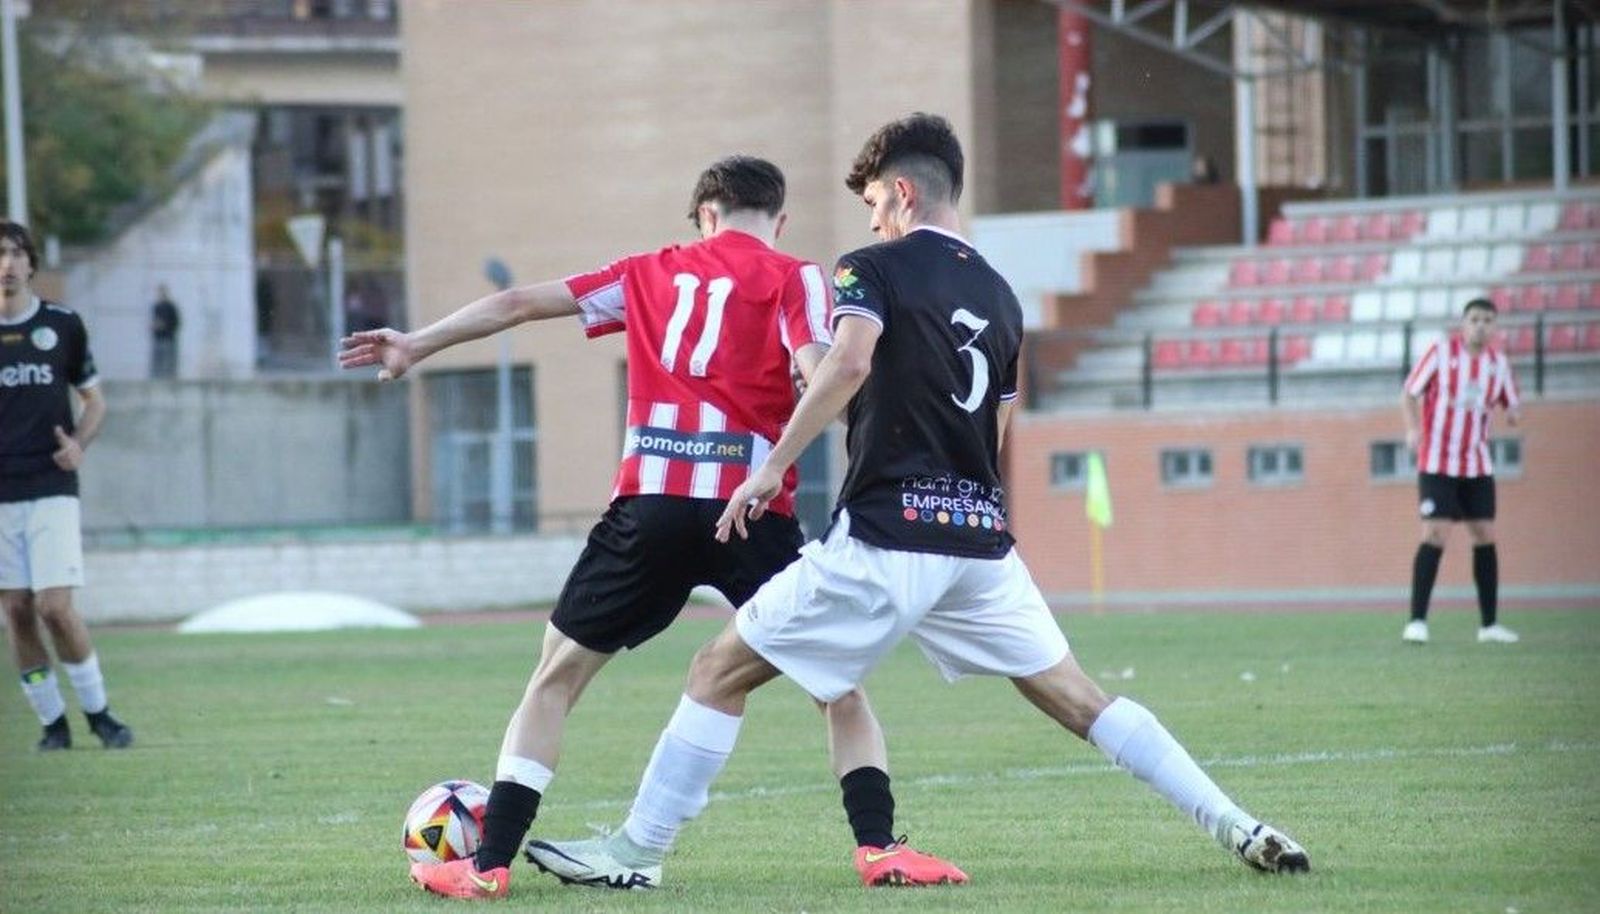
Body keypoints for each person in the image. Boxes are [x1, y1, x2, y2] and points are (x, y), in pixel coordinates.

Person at [526, 114, 1311, 891]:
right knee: (1083, 700)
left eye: (874, 202)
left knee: (716, 669)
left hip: (886, 536)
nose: (872, 220)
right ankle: (1237, 823)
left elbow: (849, 364)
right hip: (977, 544)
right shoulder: (1003, 296)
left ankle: (637, 851)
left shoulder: (870, 268)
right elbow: (996, 428)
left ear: (902, 194)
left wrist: (774, 467)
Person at [339, 156, 961, 899]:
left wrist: (417, 343)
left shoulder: (646, 273)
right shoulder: (796, 276)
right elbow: (821, 369)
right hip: (749, 512)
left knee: (555, 680)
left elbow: (517, 303)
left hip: (651, 506)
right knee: (837, 685)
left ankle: (490, 863)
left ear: (705, 215)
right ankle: (878, 848)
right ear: (780, 220)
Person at [0, 220, 134, 751]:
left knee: (54, 607)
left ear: (31, 263)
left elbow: (94, 401)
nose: (7, 265)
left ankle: (99, 714)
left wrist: (78, 443)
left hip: (51, 486)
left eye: (15, 253)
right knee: (16, 609)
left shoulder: (61, 325)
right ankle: (52, 723)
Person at [1400, 298, 1522, 645]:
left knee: (1484, 534)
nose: (1480, 325)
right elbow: (1409, 393)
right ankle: (1417, 621)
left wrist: (1514, 414)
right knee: (1435, 533)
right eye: (1474, 319)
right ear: (1464, 323)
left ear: (1495, 327)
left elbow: (1512, 404)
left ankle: (1489, 625)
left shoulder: (1498, 364)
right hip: (1437, 462)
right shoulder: (1440, 353)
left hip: (1476, 464)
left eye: (1487, 320)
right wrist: (1412, 429)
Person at [150, 284, 180, 379]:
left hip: (168, 340)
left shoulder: (171, 307)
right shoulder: (156, 307)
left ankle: (170, 378)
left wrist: (164, 325)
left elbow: (176, 323)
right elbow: (155, 321)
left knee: (169, 364)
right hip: (158, 339)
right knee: (157, 364)